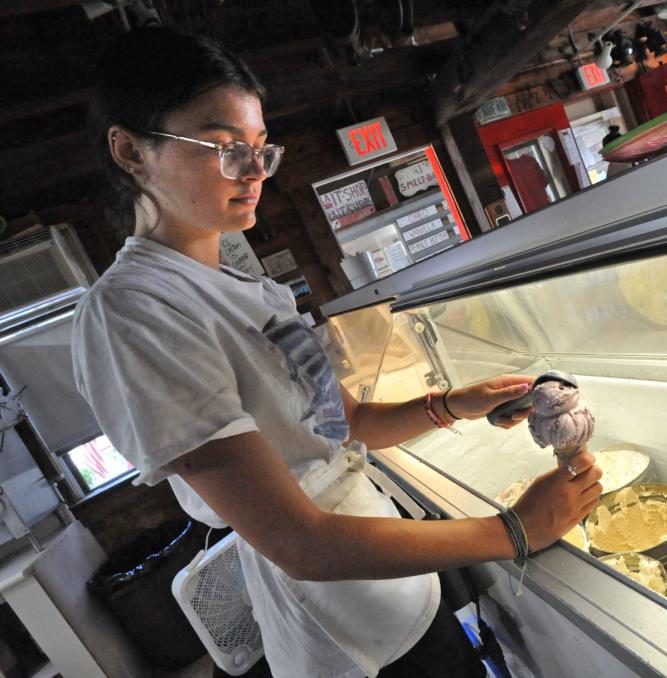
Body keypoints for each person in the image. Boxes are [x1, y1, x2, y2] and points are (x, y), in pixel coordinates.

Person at [72, 27, 602, 678]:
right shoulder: (132, 312)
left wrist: (451, 404)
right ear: (129, 150)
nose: (254, 173)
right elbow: (300, 543)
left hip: (402, 594)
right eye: (222, 147)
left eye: (261, 149)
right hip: (348, 638)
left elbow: (347, 424)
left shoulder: (250, 289)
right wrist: (515, 531)